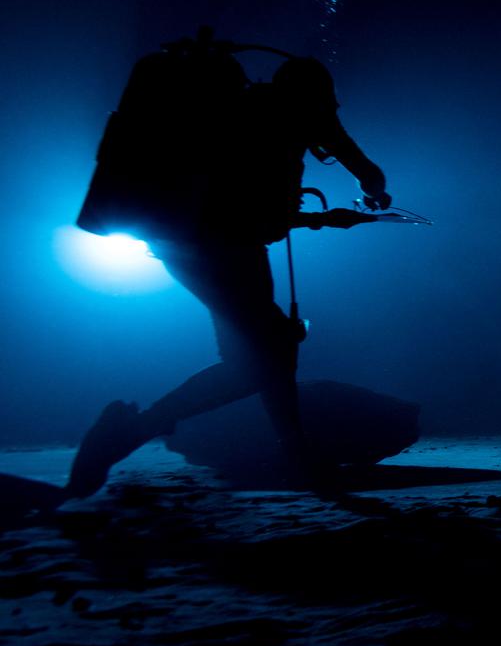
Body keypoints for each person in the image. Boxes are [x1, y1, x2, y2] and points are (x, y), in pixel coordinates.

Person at [66, 34, 390, 498]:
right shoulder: (273, 120)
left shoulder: (252, 111)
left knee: (262, 355)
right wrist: (343, 209)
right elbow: (245, 211)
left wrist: (341, 207)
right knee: (269, 350)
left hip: (200, 246)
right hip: (215, 249)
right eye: (326, 108)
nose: (331, 120)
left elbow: (252, 208)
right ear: (312, 100)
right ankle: (128, 435)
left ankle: (288, 454)